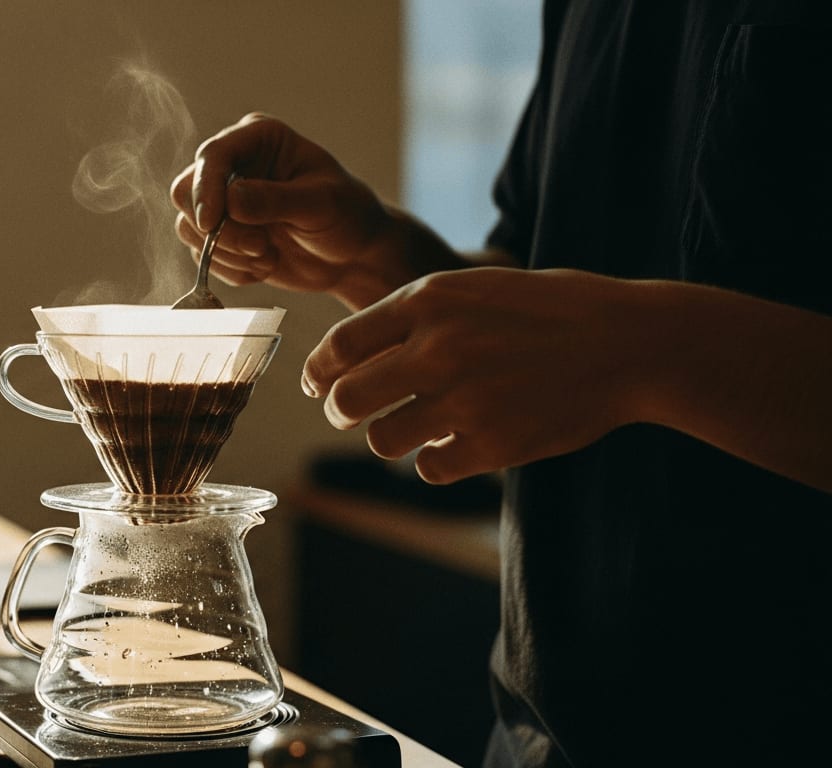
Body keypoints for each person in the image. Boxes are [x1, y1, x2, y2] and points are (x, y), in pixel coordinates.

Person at [171, 2, 832, 766]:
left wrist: (643, 352)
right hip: (539, 734)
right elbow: (551, 286)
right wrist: (380, 259)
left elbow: (604, 341)